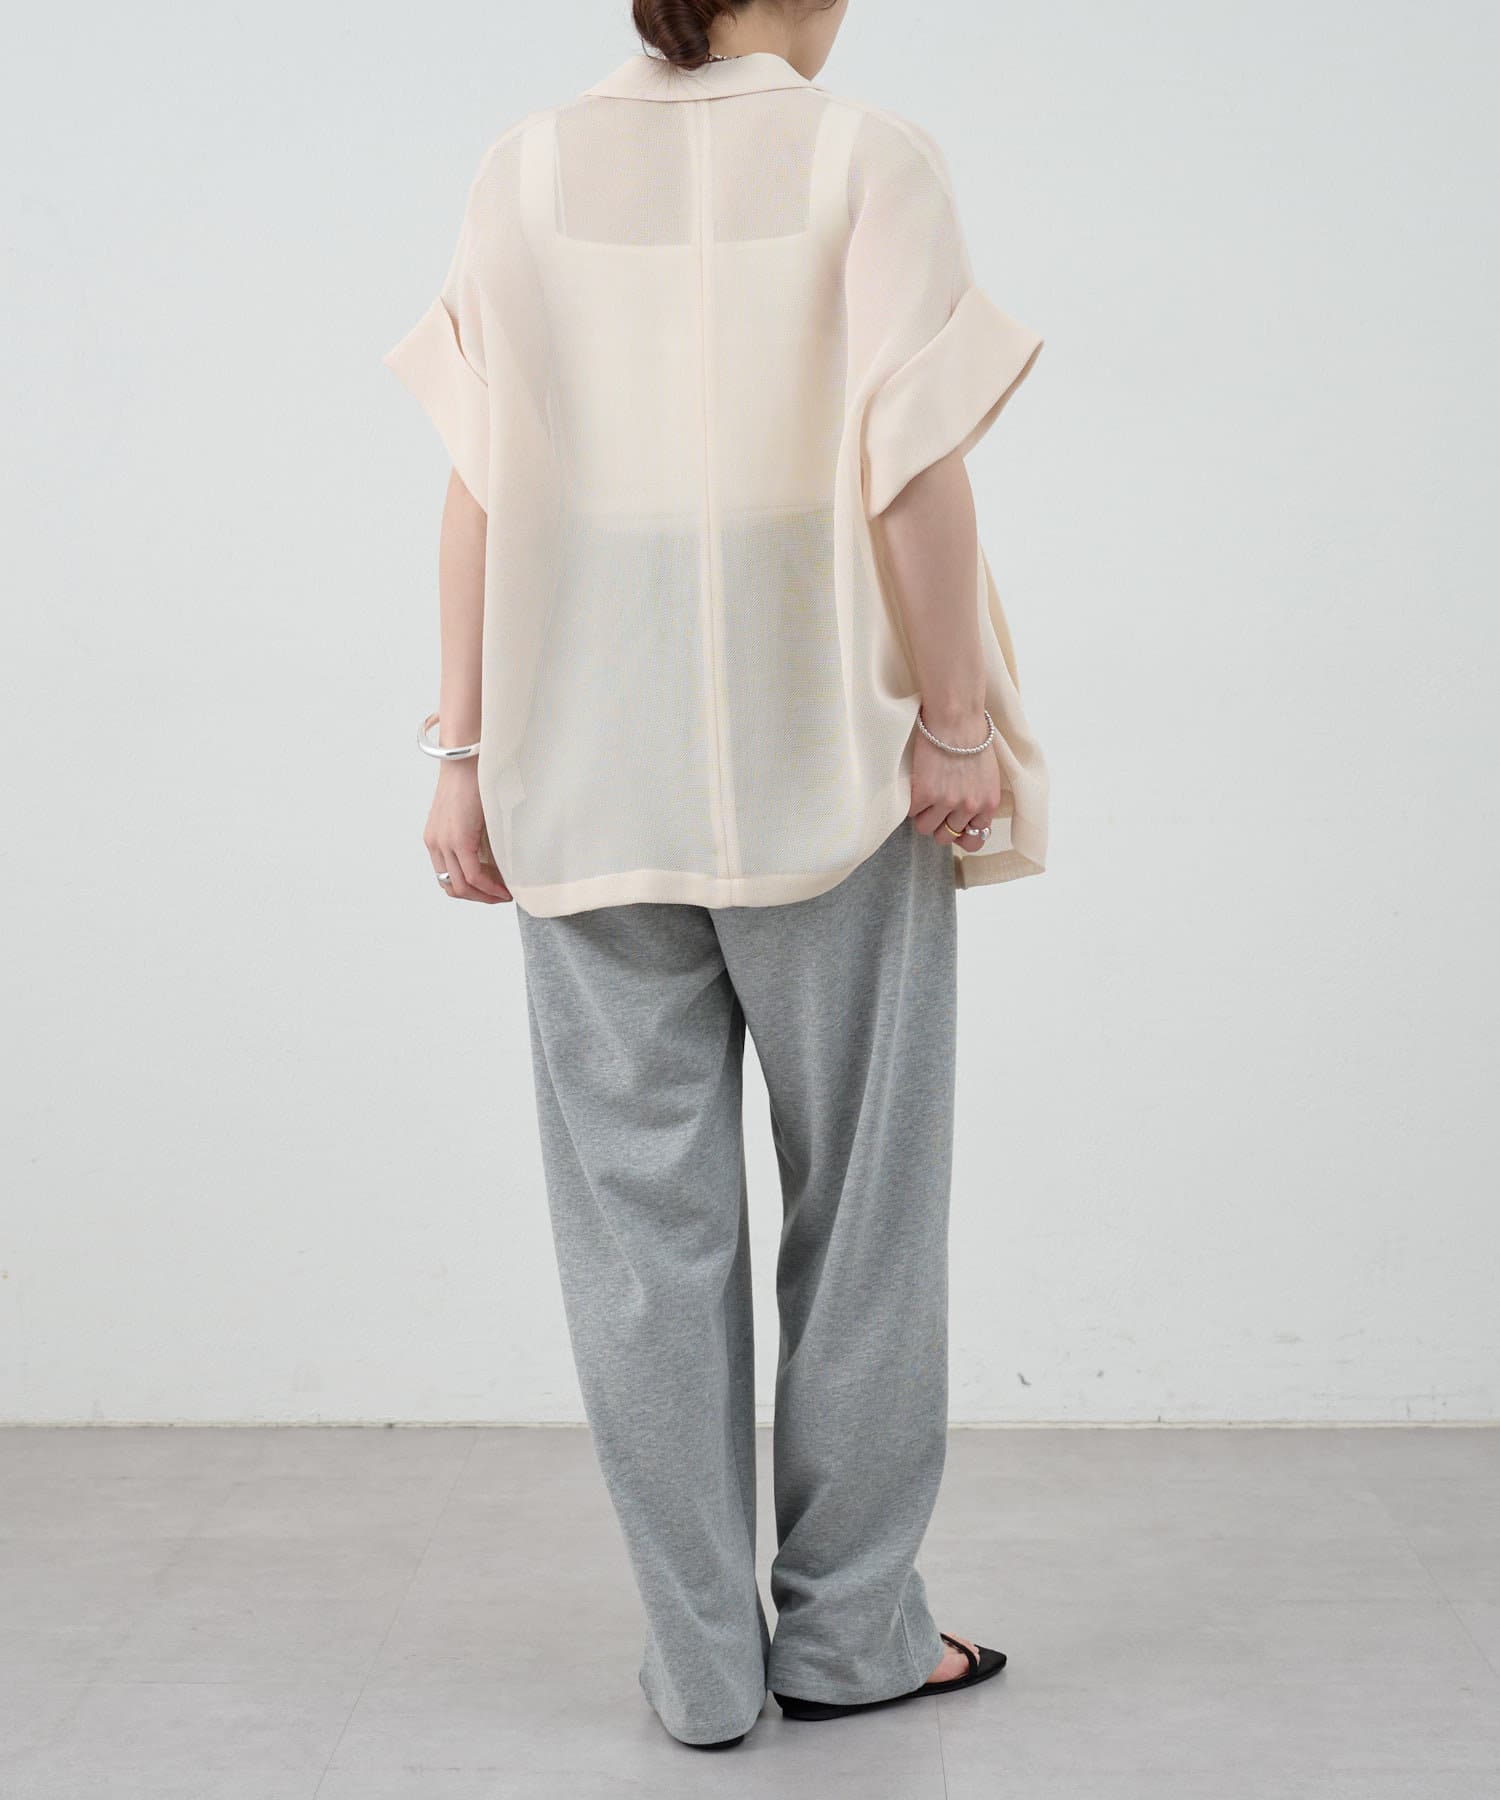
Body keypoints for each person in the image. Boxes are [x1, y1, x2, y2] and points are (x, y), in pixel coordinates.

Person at [382, 0, 1047, 1753]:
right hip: (830, 762)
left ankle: (696, 1669)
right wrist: (956, 723)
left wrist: (460, 752)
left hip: (586, 771)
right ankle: (849, 1639)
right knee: (868, 1223)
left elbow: (478, 487)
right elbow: (912, 462)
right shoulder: (864, 157)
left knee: (639, 1244)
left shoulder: (526, 169)